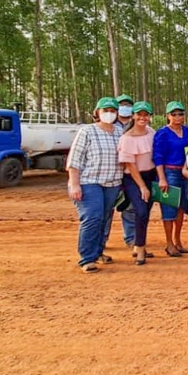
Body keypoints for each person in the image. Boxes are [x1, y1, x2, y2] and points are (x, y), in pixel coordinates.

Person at [67, 97, 123, 273]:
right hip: (88, 182)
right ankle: (87, 258)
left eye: (112, 111)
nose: (109, 113)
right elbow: (75, 159)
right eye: (105, 110)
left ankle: (98, 251)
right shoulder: (87, 131)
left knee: (105, 218)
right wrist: (75, 184)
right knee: (92, 217)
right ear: (97, 112)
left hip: (112, 183)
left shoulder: (119, 132)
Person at [118, 101, 157, 266]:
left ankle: (138, 243)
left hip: (151, 175)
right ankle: (140, 247)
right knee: (140, 211)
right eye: (139, 114)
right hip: (133, 178)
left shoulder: (151, 133)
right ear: (133, 116)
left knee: (146, 212)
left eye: (146, 115)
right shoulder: (126, 138)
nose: (142, 118)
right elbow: (130, 165)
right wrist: (141, 186)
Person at [153, 101, 188, 257]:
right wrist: (162, 178)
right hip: (169, 172)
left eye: (180, 113)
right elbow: (158, 156)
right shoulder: (162, 133)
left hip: (184, 172)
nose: (177, 117)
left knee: (181, 207)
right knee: (169, 208)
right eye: (173, 114)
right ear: (168, 116)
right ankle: (169, 243)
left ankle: (177, 239)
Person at [114, 93, 136, 247]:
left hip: (131, 172)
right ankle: (101, 240)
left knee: (130, 206)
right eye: (122, 105)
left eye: (128, 105)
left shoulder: (137, 125)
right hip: (111, 172)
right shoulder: (110, 126)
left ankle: (131, 238)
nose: (125, 108)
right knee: (106, 208)